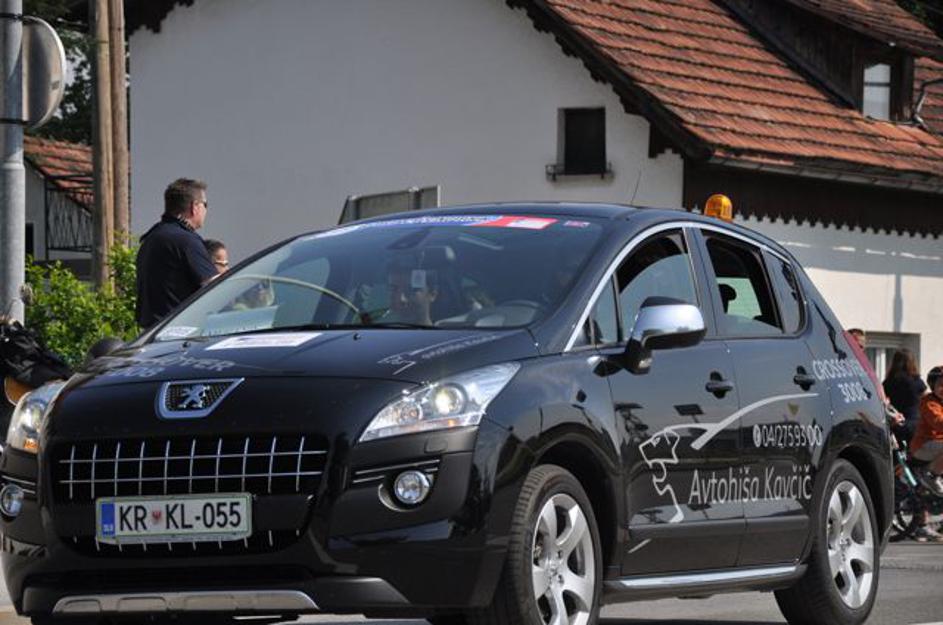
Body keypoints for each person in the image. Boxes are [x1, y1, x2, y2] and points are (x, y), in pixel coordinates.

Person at [135, 178, 218, 329]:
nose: (206, 210)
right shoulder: (186, 241)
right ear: (194, 207)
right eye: (205, 205)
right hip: (178, 331)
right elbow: (215, 288)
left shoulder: (152, 237)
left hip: (151, 332)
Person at [883, 349, 927, 443]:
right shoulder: (916, 381)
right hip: (915, 422)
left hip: (896, 423)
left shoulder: (888, 382)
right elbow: (925, 399)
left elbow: (883, 400)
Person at [385, 261, 438, 326]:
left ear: (432, 294)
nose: (402, 299)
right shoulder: (375, 331)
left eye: (410, 290)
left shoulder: (446, 332)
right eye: (394, 289)